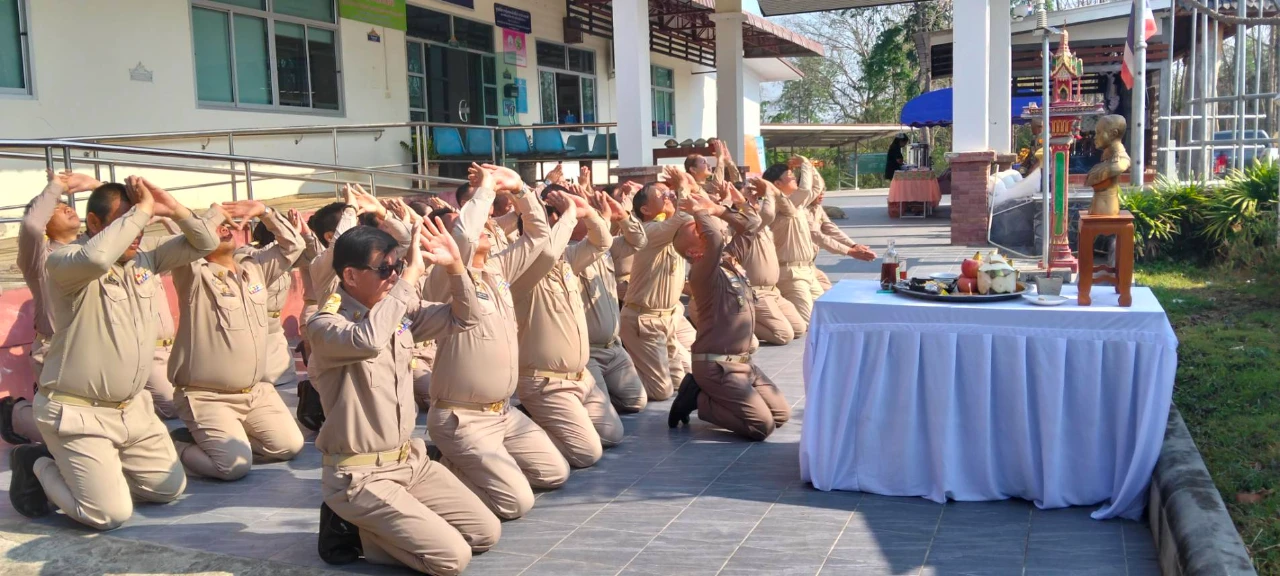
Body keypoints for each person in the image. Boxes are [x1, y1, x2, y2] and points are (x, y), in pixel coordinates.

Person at [9, 176, 220, 529]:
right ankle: (37, 463)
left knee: (167, 489)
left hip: (132, 411)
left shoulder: (144, 262)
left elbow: (206, 242)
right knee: (109, 514)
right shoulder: (64, 261)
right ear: (94, 223)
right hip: (79, 411)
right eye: (126, 219)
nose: (136, 229)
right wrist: (142, 210)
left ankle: (96, 471)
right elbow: (97, 257)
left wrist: (173, 207)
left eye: (140, 221)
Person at [308, 220, 500, 575]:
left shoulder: (398, 313)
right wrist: (410, 276)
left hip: (409, 461)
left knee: (485, 533)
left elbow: (467, 318)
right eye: (385, 269)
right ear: (350, 276)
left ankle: (377, 524)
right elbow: (367, 340)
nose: (395, 276)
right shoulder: (326, 325)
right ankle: (351, 530)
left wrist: (456, 267)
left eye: (397, 266)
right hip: (359, 474)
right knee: (451, 559)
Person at [426, 164, 569, 520]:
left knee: (555, 473)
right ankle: (436, 479)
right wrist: (485, 190)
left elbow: (538, 237)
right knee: (516, 503)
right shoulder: (441, 282)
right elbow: (462, 238)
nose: (485, 225)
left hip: (503, 413)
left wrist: (520, 189)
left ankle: (459, 467)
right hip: (463, 417)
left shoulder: (498, 271)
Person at [166, 200, 305, 481]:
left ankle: (220, 441)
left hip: (256, 392)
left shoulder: (252, 268)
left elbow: (294, 246)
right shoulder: (193, 273)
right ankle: (173, 446)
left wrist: (264, 212)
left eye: (227, 226)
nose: (225, 229)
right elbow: (185, 239)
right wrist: (204, 220)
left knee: (289, 446)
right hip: (208, 397)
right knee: (231, 468)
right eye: (216, 227)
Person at [511, 184, 620, 468]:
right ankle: (523, 435)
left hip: (581, 377)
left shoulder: (566, 261)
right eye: (554, 219)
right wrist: (571, 214)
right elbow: (545, 253)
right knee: (587, 454)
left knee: (612, 434)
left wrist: (588, 214)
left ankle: (540, 421)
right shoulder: (520, 266)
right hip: (547, 382)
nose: (562, 224)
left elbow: (602, 242)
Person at [668, 191, 790, 440]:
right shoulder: (702, 272)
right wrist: (701, 211)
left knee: (781, 415)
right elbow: (712, 238)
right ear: (693, 252)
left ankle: (708, 394)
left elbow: (751, 225)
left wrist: (718, 209)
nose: (703, 227)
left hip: (744, 363)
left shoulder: (728, 260)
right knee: (761, 427)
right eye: (696, 230)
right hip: (717, 367)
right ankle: (699, 399)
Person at [3, 171, 97, 445]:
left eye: (69, 204)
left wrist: (94, 186)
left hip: (96, 346)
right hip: (57, 350)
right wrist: (57, 186)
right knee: (71, 434)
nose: (68, 207)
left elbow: (125, 219)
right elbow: (31, 225)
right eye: (57, 208)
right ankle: (16, 415)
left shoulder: (93, 248)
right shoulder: (39, 258)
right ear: (46, 223)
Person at [619, 168, 696, 402]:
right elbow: (685, 216)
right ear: (645, 210)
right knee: (660, 392)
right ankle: (617, 377)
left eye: (668, 191)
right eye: (661, 195)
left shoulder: (671, 229)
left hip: (668, 319)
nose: (668, 195)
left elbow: (690, 218)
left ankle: (639, 365)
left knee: (684, 381)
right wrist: (682, 185)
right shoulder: (649, 230)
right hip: (644, 321)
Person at [581, 191, 648, 414]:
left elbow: (638, 242)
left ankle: (591, 398)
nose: (597, 218)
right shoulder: (567, 252)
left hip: (614, 348)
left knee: (636, 401)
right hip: (587, 353)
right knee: (604, 419)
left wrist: (622, 217)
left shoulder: (607, 247)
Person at [730, 179, 805, 345]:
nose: (754, 195)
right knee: (783, 335)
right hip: (756, 292)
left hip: (773, 291)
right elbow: (768, 214)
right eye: (748, 193)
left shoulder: (760, 223)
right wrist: (769, 191)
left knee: (799, 328)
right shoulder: (742, 223)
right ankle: (735, 320)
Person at [764, 157, 820, 328]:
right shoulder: (780, 204)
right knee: (808, 323)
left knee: (823, 315)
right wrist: (804, 163)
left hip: (808, 270)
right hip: (791, 273)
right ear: (777, 184)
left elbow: (816, 188)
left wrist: (810, 168)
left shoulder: (798, 204)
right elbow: (804, 190)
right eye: (789, 175)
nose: (794, 177)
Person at [806, 191, 876, 294]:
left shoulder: (817, 208)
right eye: (817, 192)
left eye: (823, 191)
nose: (822, 195)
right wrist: (849, 251)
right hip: (792, 268)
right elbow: (817, 236)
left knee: (828, 295)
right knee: (816, 301)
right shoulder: (799, 210)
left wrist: (854, 245)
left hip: (809, 265)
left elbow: (830, 229)